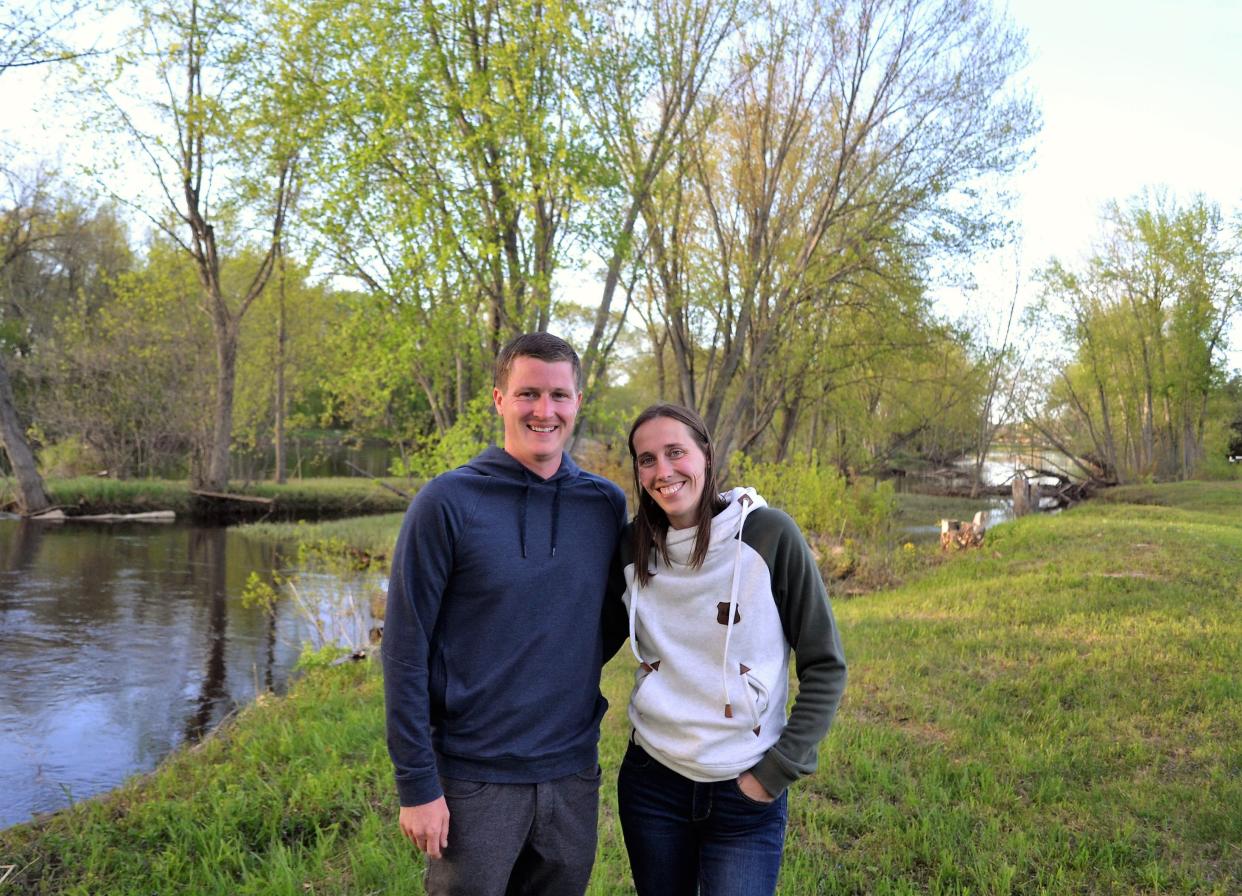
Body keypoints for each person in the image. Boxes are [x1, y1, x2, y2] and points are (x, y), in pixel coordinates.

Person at [382, 333, 627, 896]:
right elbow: (403, 650)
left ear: (578, 403)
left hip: (571, 773)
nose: (545, 411)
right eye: (528, 394)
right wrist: (418, 785)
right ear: (499, 399)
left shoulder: (605, 505)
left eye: (559, 396)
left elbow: (612, 620)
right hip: (474, 778)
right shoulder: (447, 502)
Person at [609, 403, 847, 896]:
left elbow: (825, 664)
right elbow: (586, 641)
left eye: (676, 452)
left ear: (706, 455)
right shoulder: (632, 547)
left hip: (745, 788)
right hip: (652, 782)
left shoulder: (769, 535)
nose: (662, 471)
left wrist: (775, 772)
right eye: (646, 459)